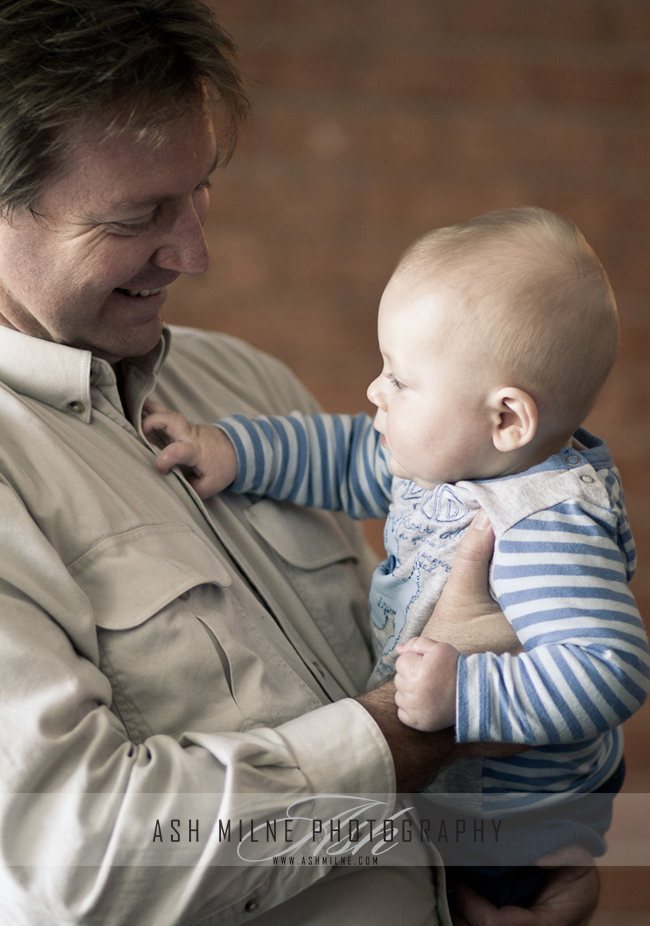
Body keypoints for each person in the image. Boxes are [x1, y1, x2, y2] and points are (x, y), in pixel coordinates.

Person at [0, 0, 601, 922]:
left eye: (198, 190)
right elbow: (74, 857)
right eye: (136, 215)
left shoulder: (241, 384)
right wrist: (417, 728)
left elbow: (374, 643)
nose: (194, 252)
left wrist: (486, 879)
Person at [144, 207, 650, 907]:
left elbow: (610, 669)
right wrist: (230, 451)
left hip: (507, 828)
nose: (375, 391)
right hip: (451, 808)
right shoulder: (455, 457)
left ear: (506, 418)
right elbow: (349, 454)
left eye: (401, 379)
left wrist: (465, 698)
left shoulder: (545, 524)